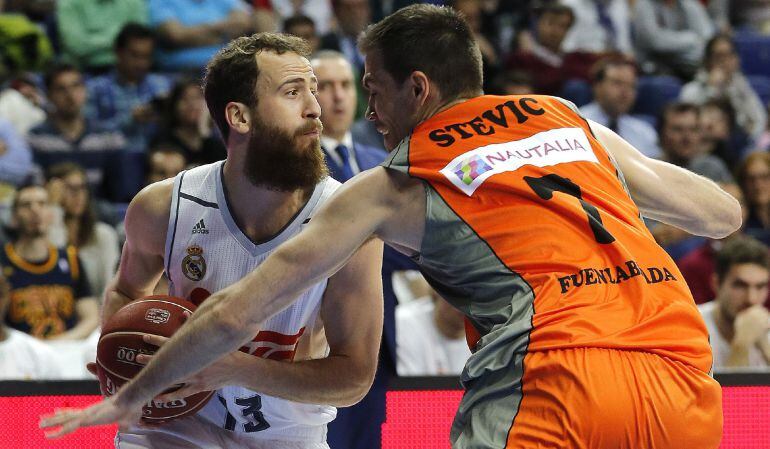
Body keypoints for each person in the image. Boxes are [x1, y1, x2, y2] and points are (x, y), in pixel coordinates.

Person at [41, 6, 742, 449]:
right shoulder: (568, 119)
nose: (365, 113)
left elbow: (235, 314)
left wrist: (128, 397)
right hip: (680, 374)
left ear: (418, 88)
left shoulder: (388, 187)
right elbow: (720, 214)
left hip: (556, 380)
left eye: (371, 89)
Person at [49, 33, 384, 449]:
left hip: (286, 435)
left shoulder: (349, 222)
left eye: (313, 91)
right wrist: (117, 357)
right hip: (170, 428)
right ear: (239, 117)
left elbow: (353, 378)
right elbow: (125, 288)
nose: (315, 109)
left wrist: (231, 367)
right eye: (293, 93)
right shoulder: (164, 205)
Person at [311, 49, 406, 449]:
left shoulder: (384, 163)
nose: (338, 96)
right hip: (316, 334)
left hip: (380, 334)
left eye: (346, 85)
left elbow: (411, 244)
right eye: (325, 87)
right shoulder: (293, 168)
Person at [2, 184, 98, 341]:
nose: (35, 210)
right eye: (26, 205)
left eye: (42, 203)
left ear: (52, 214)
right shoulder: (3, 262)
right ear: (14, 216)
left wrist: (58, 344)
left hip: (65, 350)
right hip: (20, 354)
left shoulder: (70, 257)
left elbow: (91, 317)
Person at [86, 23, 172, 153]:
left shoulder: (162, 85)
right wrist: (130, 120)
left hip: (158, 156)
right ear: (118, 53)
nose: (141, 63)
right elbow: (88, 131)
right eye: (135, 55)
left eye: (146, 56)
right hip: (114, 157)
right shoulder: (96, 88)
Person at [46, 163, 120, 300]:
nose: (78, 195)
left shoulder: (103, 235)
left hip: (99, 315)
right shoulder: (45, 235)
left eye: (82, 188)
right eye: (69, 188)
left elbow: (110, 287)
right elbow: (54, 267)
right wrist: (54, 207)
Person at [698, 236, 770, 369]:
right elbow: (721, 391)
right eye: (740, 285)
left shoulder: (766, 326)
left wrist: (766, 349)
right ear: (716, 284)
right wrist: (742, 344)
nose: (751, 299)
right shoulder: (691, 325)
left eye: (760, 286)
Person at [581, 55, 661, 158]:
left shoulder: (645, 133)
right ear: (597, 86)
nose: (625, 92)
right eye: (617, 83)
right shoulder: (576, 122)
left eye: (631, 86)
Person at [151, 79, 228, 166]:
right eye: (185, 99)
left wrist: (204, 130)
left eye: (198, 98)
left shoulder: (215, 144)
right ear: (174, 105)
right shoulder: (163, 141)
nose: (192, 104)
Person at [396, 289, 471, 376]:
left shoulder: (487, 331)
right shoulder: (403, 322)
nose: (467, 304)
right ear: (436, 288)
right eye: (460, 291)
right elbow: (406, 386)